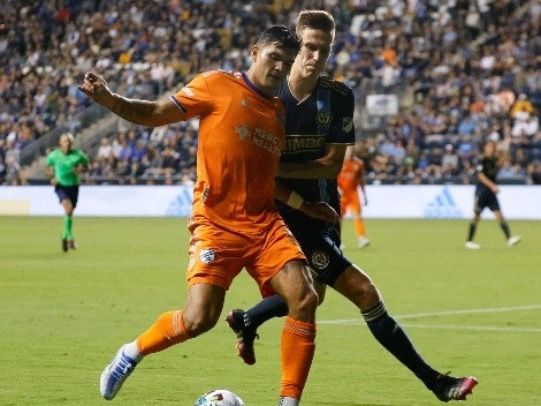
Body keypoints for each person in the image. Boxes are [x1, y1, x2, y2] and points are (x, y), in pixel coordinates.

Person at [226, 10, 478, 403]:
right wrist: (292, 194)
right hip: (285, 215)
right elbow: (257, 174)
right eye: (309, 47)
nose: (315, 57)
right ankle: (437, 383)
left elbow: (331, 165)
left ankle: (248, 318)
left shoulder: (339, 97)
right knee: (363, 292)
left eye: (324, 50)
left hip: (324, 210)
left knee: (314, 292)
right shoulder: (267, 97)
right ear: (294, 45)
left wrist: (275, 167)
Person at [80, 26, 319, 406]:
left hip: (264, 223)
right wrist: (109, 99)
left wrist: (304, 205)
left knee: (304, 297)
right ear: (255, 51)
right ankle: (131, 352)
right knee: (198, 319)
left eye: (286, 62)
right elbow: (155, 113)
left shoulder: (279, 112)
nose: (279, 67)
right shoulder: (216, 84)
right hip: (217, 223)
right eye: (274, 56)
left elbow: (266, 177)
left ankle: (288, 402)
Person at [465, 140, 521, 249]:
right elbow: (480, 176)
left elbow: (504, 161)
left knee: (499, 215)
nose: (491, 148)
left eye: (492, 147)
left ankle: (509, 238)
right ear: (485, 148)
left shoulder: (494, 160)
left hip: (491, 194)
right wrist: (492, 185)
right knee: (476, 217)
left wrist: (504, 148)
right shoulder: (482, 160)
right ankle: (469, 241)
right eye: (489, 146)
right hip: (481, 192)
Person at [46, 132, 89, 252]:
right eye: (65, 141)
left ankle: (67, 235)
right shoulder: (54, 155)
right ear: (60, 143)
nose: (67, 143)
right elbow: (48, 168)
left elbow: (86, 167)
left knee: (69, 213)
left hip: (74, 186)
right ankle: (67, 238)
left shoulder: (78, 155)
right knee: (68, 209)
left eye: (69, 141)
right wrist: (52, 177)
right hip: (61, 186)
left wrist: (81, 169)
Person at [337, 144, 370, 248]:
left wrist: (364, 195)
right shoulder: (339, 162)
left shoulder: (359, 163)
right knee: (338, 218)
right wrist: (337, 189)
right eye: (348, 150)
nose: (350, 152)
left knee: (357, 215)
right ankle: (337, 240)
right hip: (341, 194)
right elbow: (332, 177)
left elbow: (361, 180)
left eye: (351, 150)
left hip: (353, 193)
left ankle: (362, 238)